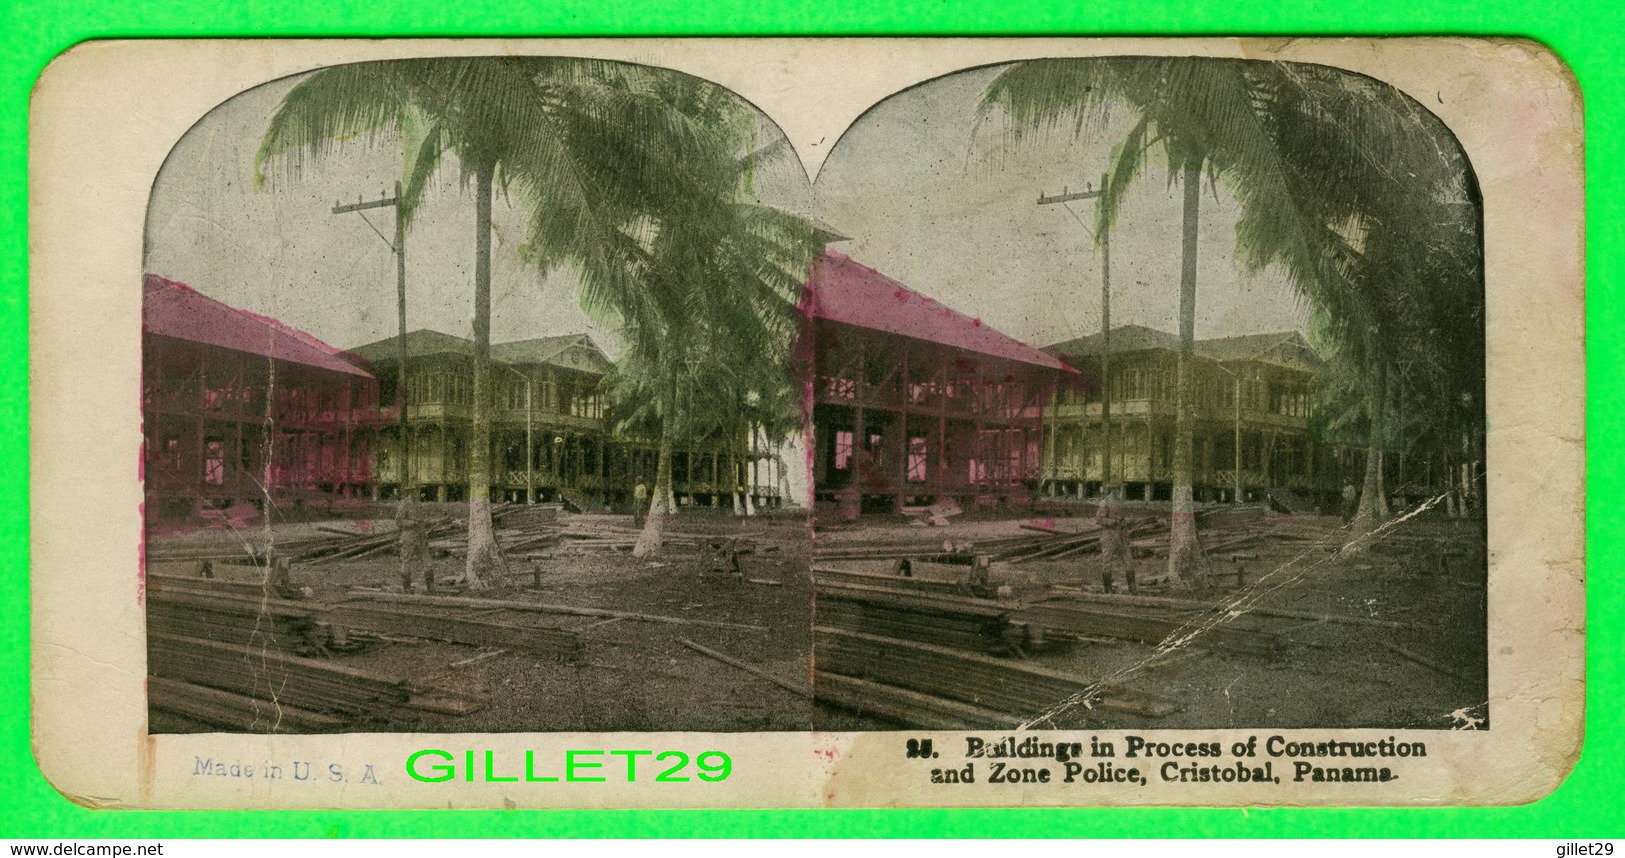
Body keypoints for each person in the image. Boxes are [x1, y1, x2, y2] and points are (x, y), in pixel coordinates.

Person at [1095, 486, 1133, 594]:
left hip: (1122, 537)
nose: (1119, 491)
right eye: (1117, 489)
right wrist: (1114, 521)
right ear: (1113, 490)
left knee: (1129, 562)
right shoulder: (1105, 502)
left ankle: (1132, 588)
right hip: (1109, 537)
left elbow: (1125, 520)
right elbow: (1099, 519)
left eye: (1119, 489)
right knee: (1107, 563)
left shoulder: (1121, 503)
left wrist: (1127, 524)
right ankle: (1107, 589)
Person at [395, 496, 430, 593]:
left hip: (421, 538)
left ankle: (431, 588)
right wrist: (413, 523)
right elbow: (399, 521)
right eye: (414, 489)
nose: (417, 492)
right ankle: (407, 588)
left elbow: (423, 521)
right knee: (406, 563)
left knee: (428, 563)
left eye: (418, 489)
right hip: (408, 537)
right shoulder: (405, 504)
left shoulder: (419, 503)